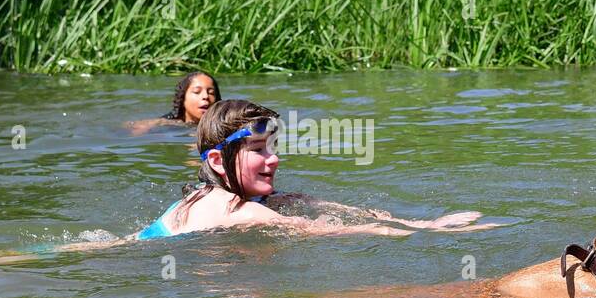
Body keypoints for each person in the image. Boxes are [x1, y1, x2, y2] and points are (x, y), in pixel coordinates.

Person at [126, 99, 490, 242]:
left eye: (273, 147)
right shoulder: (241, 211)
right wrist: (426, 233)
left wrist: (417, 221)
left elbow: (311, 205)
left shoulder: (204, 194)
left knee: (292, 198)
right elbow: (313, 230)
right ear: (218, 162)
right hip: (131, 257)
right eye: (257, 150)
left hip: (127, 243)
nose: (274, 159)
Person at [125, 71, 221, 134]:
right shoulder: (167, 123)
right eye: (197, 92)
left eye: (211, 93)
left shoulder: (222, 124)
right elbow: (128, 126)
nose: (205, 96)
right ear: (183, 98)